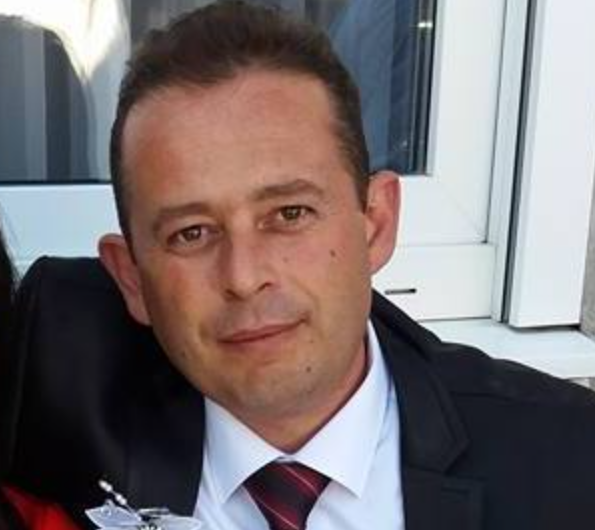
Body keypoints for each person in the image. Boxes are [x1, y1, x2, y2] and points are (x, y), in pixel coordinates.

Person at [7, 2, 595, 529]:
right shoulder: (51, 395)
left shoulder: (566, 465)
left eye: (289, 214)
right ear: (131, 277)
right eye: (192, 233)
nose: (244, 276)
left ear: (376, 223)